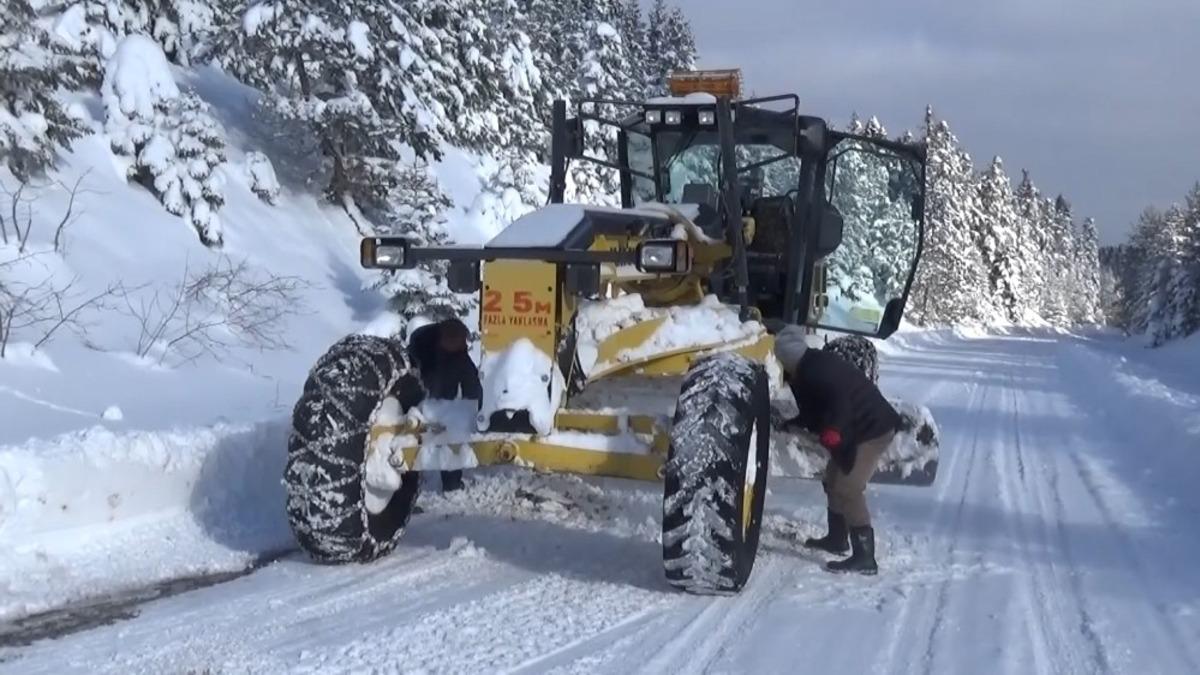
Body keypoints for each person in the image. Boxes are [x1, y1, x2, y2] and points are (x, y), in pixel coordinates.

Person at [773, 323, 901, 575]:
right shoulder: (803, 371)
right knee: (832, 480)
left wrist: (834, 429)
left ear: (787, 356)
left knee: (848, 487)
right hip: (856, 428)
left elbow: (839, 403)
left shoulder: (819, 370)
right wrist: (793, 424)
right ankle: (837, 538)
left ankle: (865, 558)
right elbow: (813, 409)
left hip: (873, 430)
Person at [406, 318, 482, 493]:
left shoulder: (458, 353)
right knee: (412, 434)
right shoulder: (421, 345)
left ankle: (451, 482)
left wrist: (479, 406)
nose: (464, 346)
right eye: (459, 343)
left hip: (444, 394)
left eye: (464, 343)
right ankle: (411, 480)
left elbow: (471, 380)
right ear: (445, 340)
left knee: (450, 430)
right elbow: (409, 374)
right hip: (418, 392)